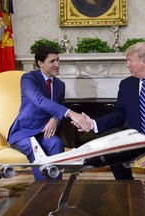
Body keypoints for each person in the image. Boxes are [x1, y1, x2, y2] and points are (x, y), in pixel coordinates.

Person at [76, 42, 145, 216]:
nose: (127, 65)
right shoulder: (127, 84)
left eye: (129, 60)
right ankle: (129, 192)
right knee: (113, 156)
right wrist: (93, 123)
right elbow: (119, 115)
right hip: (139, 137)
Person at [7, 44, 90, 180]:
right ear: (40, 63)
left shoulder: (60, 85)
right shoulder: (28, 79)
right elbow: (39, 100)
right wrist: (71, 113)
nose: (57, 64)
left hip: (46, 133)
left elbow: (58, 109)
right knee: (36, 150)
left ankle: (55, 190)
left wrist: (55, 120)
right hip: (24, 132)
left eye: (58, 60)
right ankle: (43, 194)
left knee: (56, 144)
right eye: (52, 61)